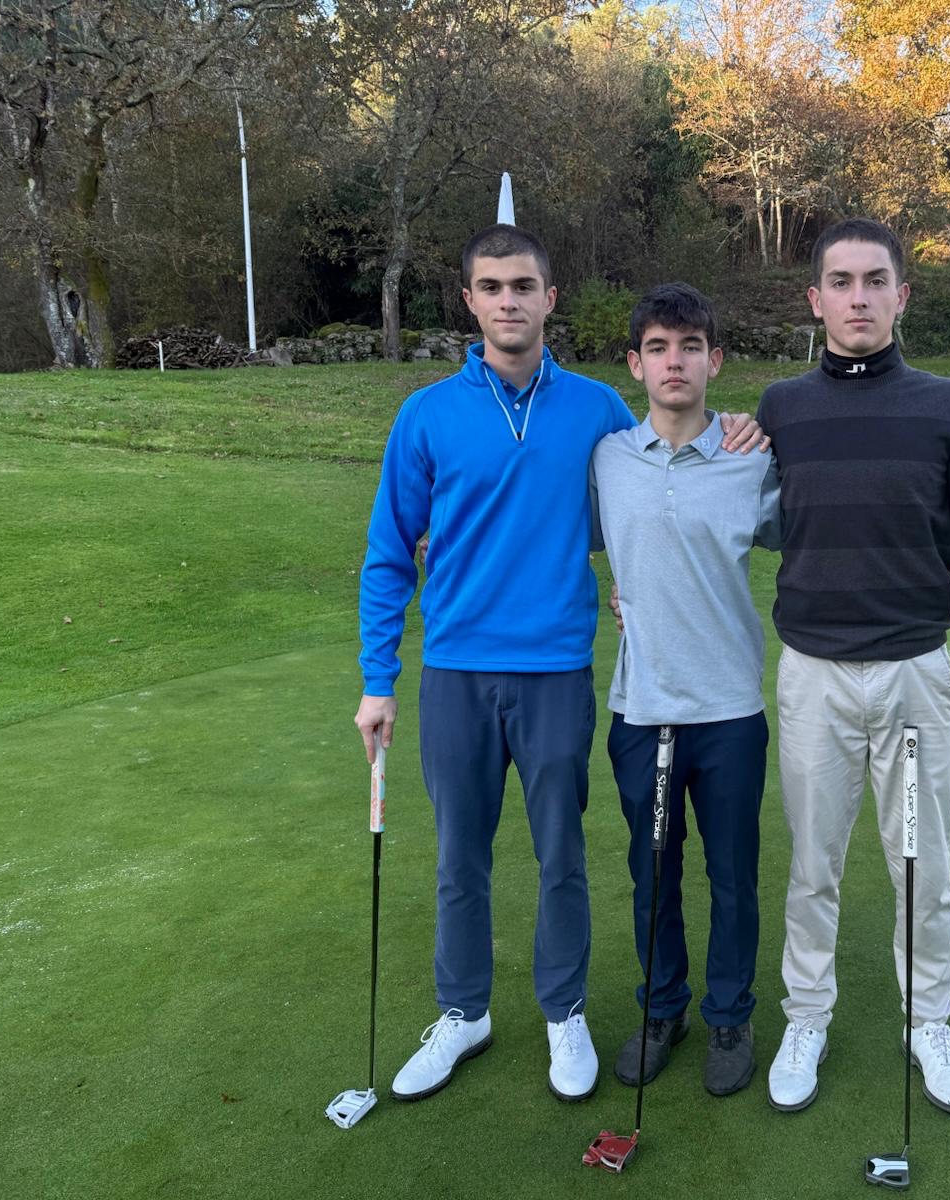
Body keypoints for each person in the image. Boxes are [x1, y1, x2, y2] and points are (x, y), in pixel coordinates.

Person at [352, 225, 761, 1105]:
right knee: (459, 858)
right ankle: (463, 1012)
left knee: (561, 857)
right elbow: (388, 553)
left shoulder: (598, 411)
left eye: (524, 286)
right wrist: (377, 680)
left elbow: (658, 486)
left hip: (555, 672)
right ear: (469, 300)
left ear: (550, 298)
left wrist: (737, 427)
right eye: (492, 286)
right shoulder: (426, 415)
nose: (509, 300)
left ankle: (563, 1010)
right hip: (457, 670)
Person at [757, 218, 950, 1116]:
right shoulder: (780, 410)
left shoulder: (947, 405)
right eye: (841, 282)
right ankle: (807, 1017)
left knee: (922, 868)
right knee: (814, 867)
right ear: (816, 300)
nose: (859, 297)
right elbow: (727, 517)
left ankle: (928, 1021)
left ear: (901, 296)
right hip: (814, 679)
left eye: (876, 280)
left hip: (914, 676)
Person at [589, 283, 781, 1098]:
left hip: (730, 708)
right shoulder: (607, 459)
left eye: (691, 347)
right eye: (659, 348)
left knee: (733, 876)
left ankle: (730, 1015)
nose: (676, 362)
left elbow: (814, 539)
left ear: (715, 361)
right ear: (635, 364)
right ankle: (662, 1007)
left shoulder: (752, 458)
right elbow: (556, 536)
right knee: (653, 874)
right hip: (642, 710)